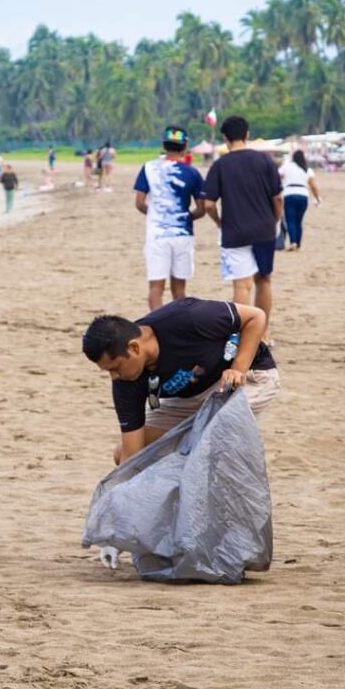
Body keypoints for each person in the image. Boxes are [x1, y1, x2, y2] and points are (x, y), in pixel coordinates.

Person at [82, 298, 279, 466]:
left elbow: (255, 316)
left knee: (206, 442)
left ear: (134, 348)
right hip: (191, 396)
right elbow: (131, 456)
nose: (114, 377)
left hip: (249, 377)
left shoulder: (188, 317)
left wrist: (237, 368)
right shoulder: (125, 381)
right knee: (125, 456)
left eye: (115, 367)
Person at [202, 115, 282, 333]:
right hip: (264, 229)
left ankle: (244, 334)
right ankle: (263, 334)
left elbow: (208, 204)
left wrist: (219, 222)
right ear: (247, 134)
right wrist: (274, 219)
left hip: (234, 231)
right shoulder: (265, 161)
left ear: (225, 138)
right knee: (263, 281)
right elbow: (278, 198)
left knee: (241, 285)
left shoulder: (220, 165)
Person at [133, 125, 206, 310]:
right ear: (185, 146)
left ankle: (157, 331)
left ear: (164, 145)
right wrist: (185, 218)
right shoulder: (192, 173)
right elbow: (201, 209)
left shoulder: (148, 168)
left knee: (156, 288)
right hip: (182, 234)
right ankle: (178, 330)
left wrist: (156, 216)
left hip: (157, 234)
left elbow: (140, 203)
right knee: (179, 290)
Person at [279, 150, 321, 250]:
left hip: (289, 194)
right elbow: (313, 186)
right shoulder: (307, 169)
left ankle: (293, 242)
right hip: (303, 195)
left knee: (290, 220)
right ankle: (298, 243)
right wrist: (317, 198)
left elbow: (277, 178)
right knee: (299, 221)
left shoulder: (286, 167)